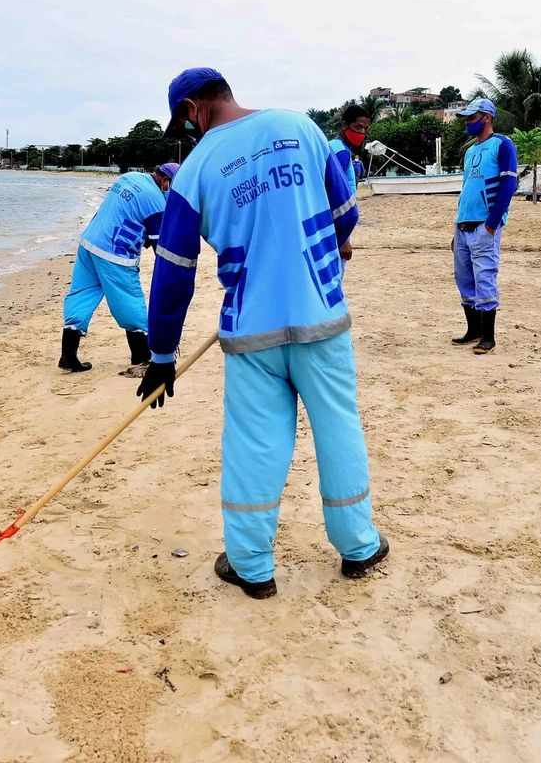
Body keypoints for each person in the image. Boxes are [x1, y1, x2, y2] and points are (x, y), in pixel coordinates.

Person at [138, 67, 387, 599]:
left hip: (251, 331)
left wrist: (162, 354)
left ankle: (251, 567)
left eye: (183, 123)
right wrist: (334, 245)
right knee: (338, 428)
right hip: (321, 315)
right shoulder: (301, 128)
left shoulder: (194, 169)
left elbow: (173, 272)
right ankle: (359, 547)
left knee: (255, 444)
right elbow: (346, 214)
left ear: (191, 109)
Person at [58, 163, 178, 373]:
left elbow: (126, 212)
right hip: (116, 253)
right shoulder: (156, 200)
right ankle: (141, 356)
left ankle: (68, 355)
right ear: (165, 181)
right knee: (129, 300)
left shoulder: (130, 177)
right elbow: (161, 246)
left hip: (89, 242)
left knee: (81, 294)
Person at [450, 98, 518, 354]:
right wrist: (455, 227)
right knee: (464, 279)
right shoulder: (470, 151)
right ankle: (473, 330)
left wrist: (492, 224)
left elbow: (508, 185)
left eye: (471, 118)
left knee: (485, 278)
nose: (468, 123)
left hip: (484, 225)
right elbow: (466, 189)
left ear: (486, 117)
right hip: (463, 224)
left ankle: (488, 337)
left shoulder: (502, 144)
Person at [330, 104, 370, 193]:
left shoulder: (332, 145)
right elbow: (336, 190)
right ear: (344, 125)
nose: (362, 132)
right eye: (358, 127)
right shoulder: (342, 152)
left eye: (365, 128)